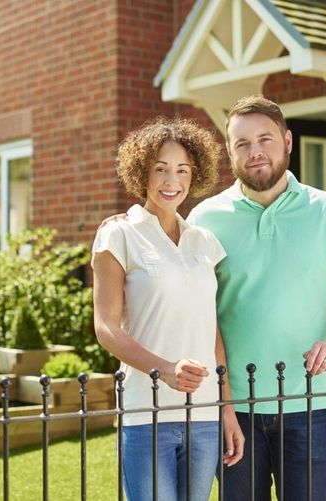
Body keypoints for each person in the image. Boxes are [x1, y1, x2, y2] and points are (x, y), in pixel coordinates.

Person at [186, 95, 326, 501]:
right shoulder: (204, 219)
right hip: (234, 408)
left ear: (287, 141)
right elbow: (194, 309)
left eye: (265, 140)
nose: (255, 153)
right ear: (230, 152)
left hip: (309, 402)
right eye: (242, 144)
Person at [91, 116, 244, 501]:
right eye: (160, 169)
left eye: (181, 170)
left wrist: (226, 409)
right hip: (147, 412)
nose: (171, 181)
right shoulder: (119, 233)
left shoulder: (204, 241)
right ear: (142, 173)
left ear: (196, 174)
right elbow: (106, 328)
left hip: (205, 413)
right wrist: (166, 371)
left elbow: (211, 330)